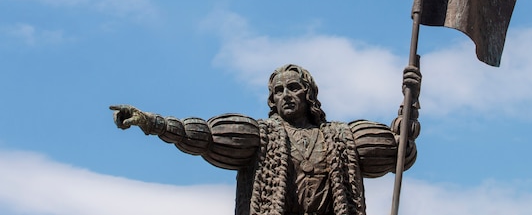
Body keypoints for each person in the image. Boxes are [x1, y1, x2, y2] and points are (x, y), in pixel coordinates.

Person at [110, 64, 421, 215]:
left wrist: (409, 110)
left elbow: (398, 153)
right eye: (278, 91)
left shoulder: (341, 137)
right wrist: (152, 122)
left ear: (308, 93)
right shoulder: (261, 135)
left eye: (293, 87)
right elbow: (203, 137)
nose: (285, 95)